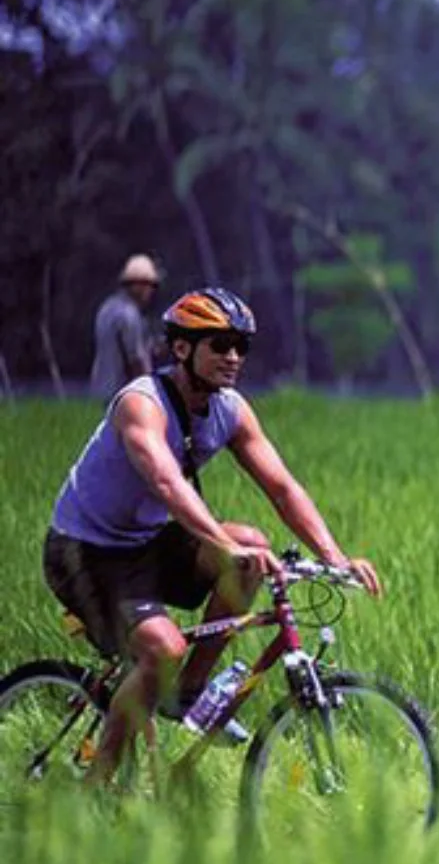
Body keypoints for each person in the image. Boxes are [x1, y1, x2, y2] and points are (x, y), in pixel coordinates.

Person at [43, 287, 382, 783]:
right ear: (182, 348)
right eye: (220, 343)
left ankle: (189, 692)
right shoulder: (141, 404)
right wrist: (223, 544)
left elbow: (282, 488)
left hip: (148, 542)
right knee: (163, 649)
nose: (233, 356)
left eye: (241, 346)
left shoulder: (230, 409)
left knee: (252, 548)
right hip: (85, 552)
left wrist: (335, 556)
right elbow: (166, 481)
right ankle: (96, 788)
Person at [90, 254, 162, 398]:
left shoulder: (108, 307)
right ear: (137, 285)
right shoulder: (128, 314)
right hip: (121, 392)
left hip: (102, 389)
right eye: (149, 285)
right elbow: (135, 359)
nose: (151, 291)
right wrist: (150, 393)